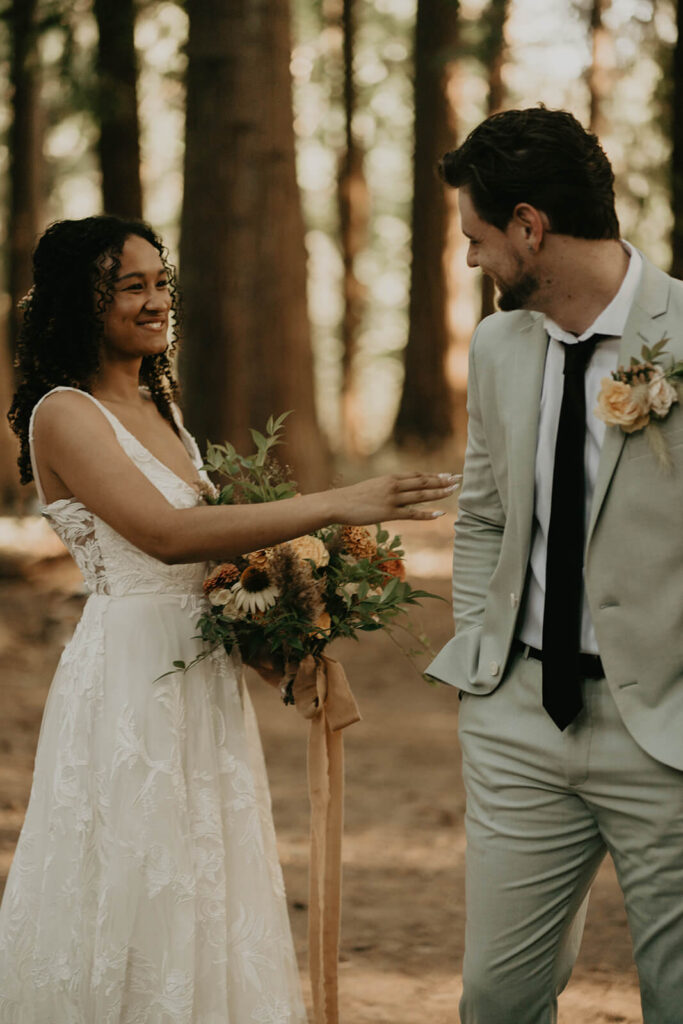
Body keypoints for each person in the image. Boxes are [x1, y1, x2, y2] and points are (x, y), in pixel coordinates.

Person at [0, 215, 458, 1023]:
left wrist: (282, 643)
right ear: (82, 300)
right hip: (132, 680)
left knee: (205, 878)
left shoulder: (163, 409)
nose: (155, 301)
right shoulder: (61, 414)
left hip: (201, 676)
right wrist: (340, 501)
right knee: (138, 877)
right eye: (130, 286)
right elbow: (166, 537)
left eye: (160, 281)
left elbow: (212, 572)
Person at [427, 107, 683, 1024]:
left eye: (477, 237)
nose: (469, 259)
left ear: (530, 226)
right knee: (495, 1001)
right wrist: (478, 671)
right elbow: (486, 515)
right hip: (518, 726)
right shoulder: (499, 345)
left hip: (668, 731)